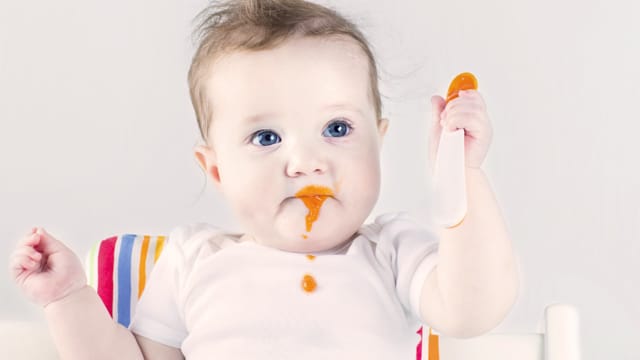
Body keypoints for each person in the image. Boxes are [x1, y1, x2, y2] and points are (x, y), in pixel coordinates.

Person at [9, 0, 519, 359]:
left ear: (378, 142)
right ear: (216, 169)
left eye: (337, 128)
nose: (305, 163)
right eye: (267, 138)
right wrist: (69, 298)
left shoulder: (392, 253)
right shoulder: (192, 262)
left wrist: (465, 174)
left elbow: (473, 309)